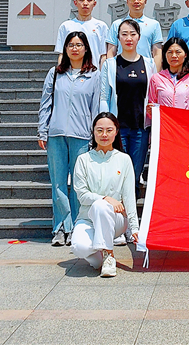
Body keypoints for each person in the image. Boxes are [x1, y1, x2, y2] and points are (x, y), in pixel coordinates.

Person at [38, 31, 100, 247]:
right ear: (65, 49)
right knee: (58, 183)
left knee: (78, 184)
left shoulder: (93, 75)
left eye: (79, 45)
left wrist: (95, 136)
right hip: (56, 134)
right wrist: (42, 130)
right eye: (71, 45)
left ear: (86, 49)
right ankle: (60, 227)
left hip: (81, 136)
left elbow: (95, 107)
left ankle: (76, 227)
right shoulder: (55, 73)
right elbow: (46, 103)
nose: (75, 48)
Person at [71, 112, 139, 278]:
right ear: (93, 132)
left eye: (109, 130)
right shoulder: (83, 160)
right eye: (99, 130)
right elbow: (82, 195)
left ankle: (109, 254)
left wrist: (135, 228)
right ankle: (102, 256)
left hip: (115, 220)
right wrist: (106, 198)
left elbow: (129, 196)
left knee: (102, 207)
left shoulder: (124, 159)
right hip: (87, 218)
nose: (104, 135)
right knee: (80, 248)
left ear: (116, 132)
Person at [99, 20, 156, 206]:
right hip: (118, 129)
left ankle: (131, 218)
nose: (128, 38)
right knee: (117, 176)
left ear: (139, 37)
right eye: (124, 34)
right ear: (118, 38)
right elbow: (104, 96)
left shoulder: (149, 64)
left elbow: (153, 95)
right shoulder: (110, 64)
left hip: (140, 128)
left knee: (135, 174)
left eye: (132, 34)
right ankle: (117, 217)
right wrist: (105, 126)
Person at [106, 0, 163, 70]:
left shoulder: (154, 25)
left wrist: (155, 74)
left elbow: (157, 53)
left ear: (145, 1)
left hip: (145, 70)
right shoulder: (117, 24)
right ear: (127, 1)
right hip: (121, 69)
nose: (136, 1)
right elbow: (111, 52)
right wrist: (111, 72)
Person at [146, 37, 189, 120]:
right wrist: (150, 112)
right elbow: (152, 105)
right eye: (170, 52)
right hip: (164, 125)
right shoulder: (156, 78)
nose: (174, 56)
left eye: (178, 52)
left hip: (185, 125)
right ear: (165, 55)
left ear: (185, 54)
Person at [54, 0, 109, 68]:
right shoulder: (66, 26)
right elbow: (62, 54)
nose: (85, 3)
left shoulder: (101, 26)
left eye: (89, 0)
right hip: (71, 73)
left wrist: (101, 74)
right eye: (81, 0)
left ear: (94, 3)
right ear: (75, 3)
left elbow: (103, 55)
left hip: (94, 73)